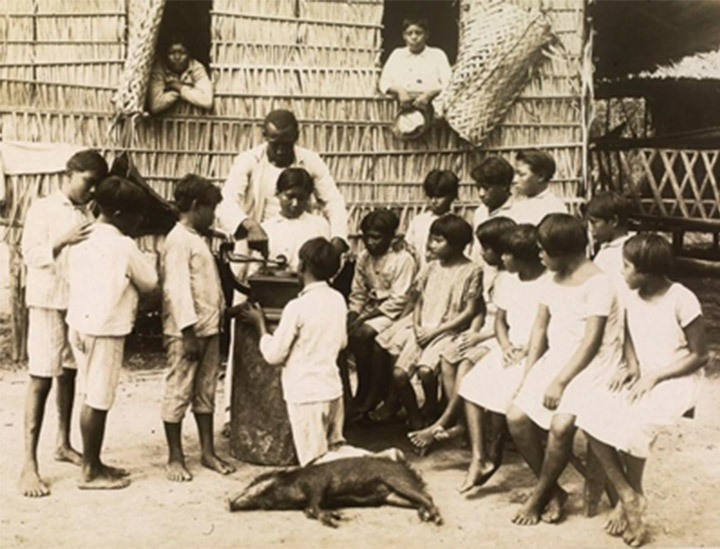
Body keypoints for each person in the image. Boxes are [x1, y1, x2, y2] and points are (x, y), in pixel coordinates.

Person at [577, 234, 708, 548]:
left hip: (677, 378)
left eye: (626, 266)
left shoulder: (682, 298)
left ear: (647, 271)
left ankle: (630, 499)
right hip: (644, 376)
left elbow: (700, 355)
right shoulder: (630, 295)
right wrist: (633, 366)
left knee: (633, 429)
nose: (622, 272)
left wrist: (655, 376)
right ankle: (629, 494)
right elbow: (629, 335)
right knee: (590, 415)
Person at [507, 213, 622, 525]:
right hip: (558, 358)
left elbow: (592, 341)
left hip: (592, 364)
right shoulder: (550, 279)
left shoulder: (598, 283)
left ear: (562, 251)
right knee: (516, 417)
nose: (539, 255)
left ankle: (538, 495)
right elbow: (539, 328)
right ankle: (554, 490)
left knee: (560, 426)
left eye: (543, 250)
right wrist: (529, 375)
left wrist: (559, 382)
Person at [19, 149, 108, 497]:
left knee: (69, 374)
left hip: (76, 304)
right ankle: (29, 463)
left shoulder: (90, 212)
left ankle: (63, 443)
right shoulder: (43, 208)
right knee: (41, 379)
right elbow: (30, 253)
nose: (91, 190)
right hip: (46, 301)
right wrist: (63, 241)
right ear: (69, 174)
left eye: (96, 185)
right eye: (88, 182)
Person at [66, 176, 158, 489]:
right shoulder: (123, 245)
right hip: (105, 330)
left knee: (90, 395)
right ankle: (90, 471)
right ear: (119, 215)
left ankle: (94, 462)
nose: (140, 221)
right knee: (100, 398)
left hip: (79, 325)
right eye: (136, 215)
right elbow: (150, 283)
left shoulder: (81, 238)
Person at [408, 217, 517, 454]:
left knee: (466, 363)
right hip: (485, 331)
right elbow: (479, 310)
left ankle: (444, 422)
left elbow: (508, 321)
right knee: (449, 358)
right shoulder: (491, 273)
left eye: (487, 248)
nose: (482, 252)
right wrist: (474, 331)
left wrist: (480, 336)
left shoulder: (511, 278)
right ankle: (461, 421)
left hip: (501, 336)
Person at [241, 237, 348, 466]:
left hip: (306, 395)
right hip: (333, 390)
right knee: (336, 453)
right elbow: (342, 343)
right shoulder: (338, 300)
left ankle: (377, 462)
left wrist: (260, 324)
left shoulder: (296, 307)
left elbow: (273, 355)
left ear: (302, 267)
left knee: (313, 464)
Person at [457, 224, 548, 493]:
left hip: (538, 352)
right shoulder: (507, 280)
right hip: (510, 348)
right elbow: (500, 322)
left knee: (505, 392)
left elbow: (544, 328)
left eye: (507, 254)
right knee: (471, 386)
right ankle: (479, 457)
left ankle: (500, 460)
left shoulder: (547, 283)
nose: (502, 259)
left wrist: (525, 351)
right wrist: (506, 345)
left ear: (524, 257)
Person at [374, 214, 483, 430]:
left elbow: (470, 311)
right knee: (399, 374)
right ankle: (415, 415)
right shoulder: (430, 267)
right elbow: (418, 302)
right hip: (422, 329)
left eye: (438, 240)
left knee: (426, 371)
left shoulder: (472, 271)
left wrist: (436, 331)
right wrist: (416, 326)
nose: (431, 244)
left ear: (456, 245)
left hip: (447, 332)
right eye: (431, 238)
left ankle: (432, 408)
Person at [160, 174, 235, 482]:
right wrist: (188, 333)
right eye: (210, 209)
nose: (213, 216)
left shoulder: (196, 239)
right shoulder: (178, 240)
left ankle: (207, 452)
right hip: (186, 334)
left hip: (208, 329)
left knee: (205, 391)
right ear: (194, 206)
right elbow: (176, 290)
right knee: (179, 391)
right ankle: (175, 457)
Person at [216, 109, 348, 257]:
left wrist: (338, 238)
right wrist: (250, 225)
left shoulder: (311, 161)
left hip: (299, 239)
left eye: (287, 144)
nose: (280, 151)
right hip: (257, 240)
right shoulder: (248, 161)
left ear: (296, 136)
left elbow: (333, 201)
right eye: (275, 144)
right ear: (264, 135)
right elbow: (226, 201)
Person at [347, 209, 417, 419]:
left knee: (364, 334)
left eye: (376, 237)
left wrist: (365, 318)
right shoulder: (364, 257)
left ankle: (374, 394)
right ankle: (364, 388)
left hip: (397, 314)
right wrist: (353, 314)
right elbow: (358, 292)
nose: (371, 242)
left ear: (390, 237)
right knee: (350, 332)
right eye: (367, 237)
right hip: (372, 310)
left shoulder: (403, 259)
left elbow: (399, 299)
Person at [259, 167, 330, 272]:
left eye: (301, 198)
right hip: (273, 287)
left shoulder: (319, 226)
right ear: (278, 193)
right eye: (290, 196)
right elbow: (255, 269)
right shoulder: (266, 229)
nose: (295, 204)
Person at [379, 17, 452, 113]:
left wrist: (429, 94)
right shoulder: (397, 55)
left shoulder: (437, 55)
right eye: (409, 33)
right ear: (404, 36)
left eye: (418, 33)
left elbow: (449, 84)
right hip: (401, 106)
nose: (414, 37)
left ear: (426, 35)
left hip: (433, 107)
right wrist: (400, 91)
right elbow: (384, 83)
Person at [404, 169, 458, 269]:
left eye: (439, 197)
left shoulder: (457, 224)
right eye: (430, 196)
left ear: (452, 196)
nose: (433, 201)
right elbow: (408, 249)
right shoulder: (418, 221)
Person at [148, 34, 213, 114]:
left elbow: (207, 101)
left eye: (182, 53)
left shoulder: (196, 67)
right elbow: (155, 105)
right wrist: (187, 92)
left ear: (189, 54)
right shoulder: (159, 69)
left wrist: (177, 87)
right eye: (171, 53)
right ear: (165, 55)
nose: (177, 57)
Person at [587, 191, 633, 296]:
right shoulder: (607, 249)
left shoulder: (623, 254)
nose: (590, 228)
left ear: (614, 221)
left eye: (594, 222)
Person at [509, 149, 568, 225]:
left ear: (541, 177)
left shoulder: (554, 209)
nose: (514, 180)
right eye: (515, 174)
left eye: (521, 175)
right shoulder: (516, 203)